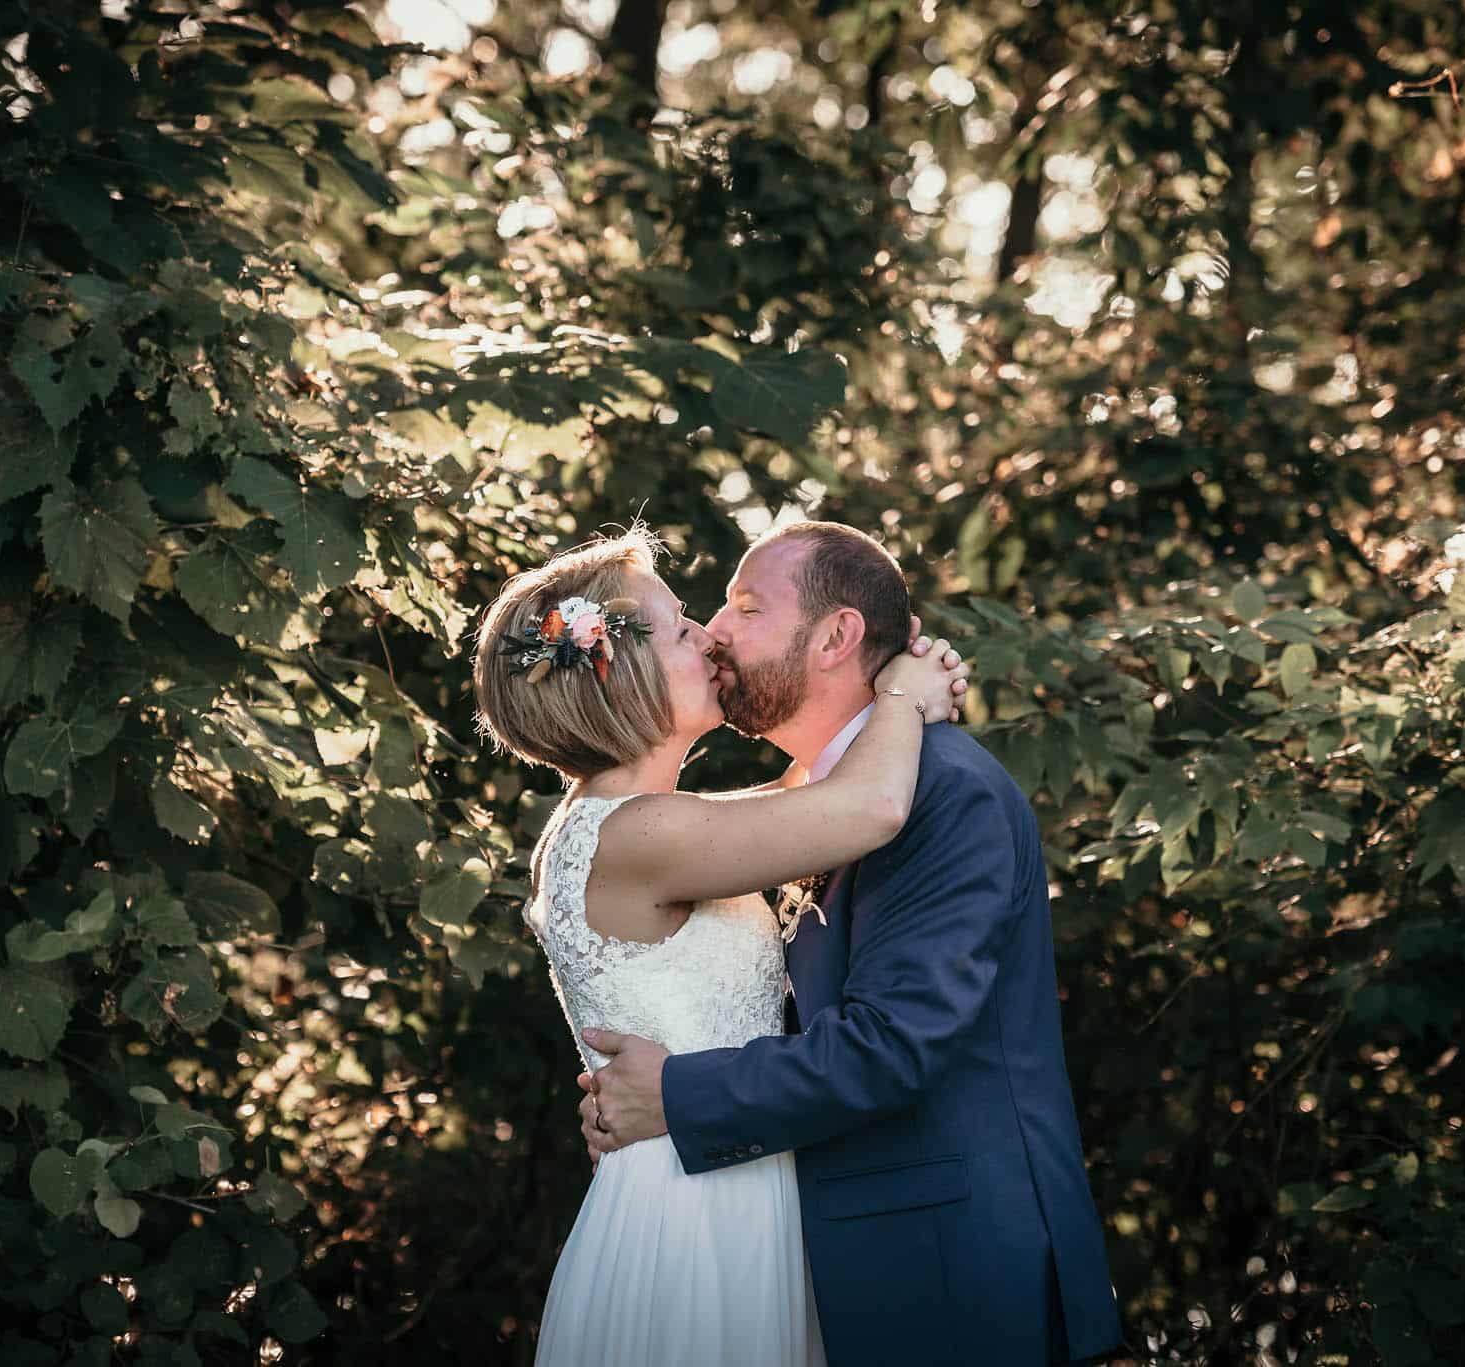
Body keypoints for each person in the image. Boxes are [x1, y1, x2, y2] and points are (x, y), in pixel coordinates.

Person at [577, 521, 1122, 1365]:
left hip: (952, 1264)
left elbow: (894, 1044)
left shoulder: (947, 792)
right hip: (819, 1255)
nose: (716, 631)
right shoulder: (819, 803)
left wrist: (676, 1092)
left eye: (746, 607)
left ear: (836, 636)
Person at [472, 524, 970, 1367]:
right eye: (679, 627)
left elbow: (801, 791)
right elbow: (868, 808)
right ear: (622, 677)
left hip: (726, 1174)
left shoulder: (637, 823)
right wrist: (901, 699)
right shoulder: (638, 834)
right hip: (693, 1211)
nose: (707, 633)